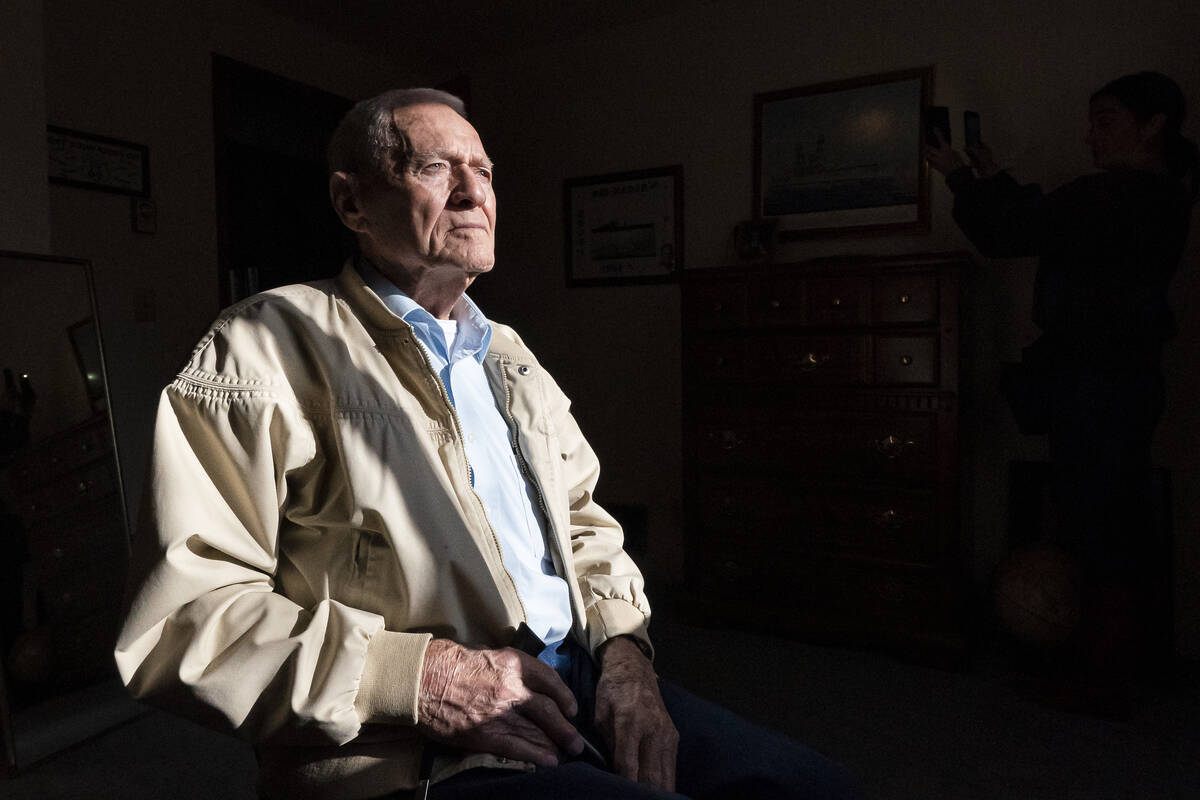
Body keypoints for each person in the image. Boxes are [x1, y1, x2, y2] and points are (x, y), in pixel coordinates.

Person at [115, 89, 857, 799]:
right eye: (435, 167)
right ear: (351, 202)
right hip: (409, 753)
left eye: (485, 172)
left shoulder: (508, 354)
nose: (475, 193)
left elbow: (582, 524)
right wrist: (421, 678)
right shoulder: (265, 346)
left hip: (576, 685)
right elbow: (183, 624)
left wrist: (627, 657)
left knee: (819, 790)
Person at [926, 72, 1198, 713]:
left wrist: (959, 176)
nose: (1089, 135)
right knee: (1108, 517)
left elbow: (1020, 230)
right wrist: (992, 180)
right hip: (1116, 379)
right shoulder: (1154, 196)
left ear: (1153, 123)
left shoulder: (1125, 195)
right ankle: (1111, 668)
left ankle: (1099, 677)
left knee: (1098, 523)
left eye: (1105, 120)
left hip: (1099, 381)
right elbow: (1051, 220)